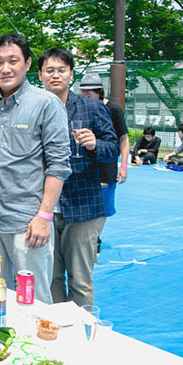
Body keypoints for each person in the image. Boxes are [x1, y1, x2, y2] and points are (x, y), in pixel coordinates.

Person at [0, 34, 71, 304]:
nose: (5, 68)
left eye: (13, 61)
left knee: (36, 300)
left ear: (28, 63)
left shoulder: (46, 103)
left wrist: (44, 216)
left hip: (29, 225)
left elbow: (58, 164)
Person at [39, 48, 118, 306]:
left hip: (83, 206)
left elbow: (112, 149)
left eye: (61, 70)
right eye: (50, 70)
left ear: (71, 75)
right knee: (49, 279)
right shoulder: (35, 109)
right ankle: (55, 332)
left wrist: (94, 144)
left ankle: (83, 336)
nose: (55, 75)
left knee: (80, 280)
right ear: (40, 75)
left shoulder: (91, 107)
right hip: (44, 208)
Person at [79, 72, 130, 253]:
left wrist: (123, 166)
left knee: (104, 205)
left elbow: (123, 139)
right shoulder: (81, 108)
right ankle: (89, 237)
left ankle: (95, 237)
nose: (86, 95)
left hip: (106, 164)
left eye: (90, 92)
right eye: (83, 91)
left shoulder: (113, 109)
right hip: (86, 165)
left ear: (99, 91)